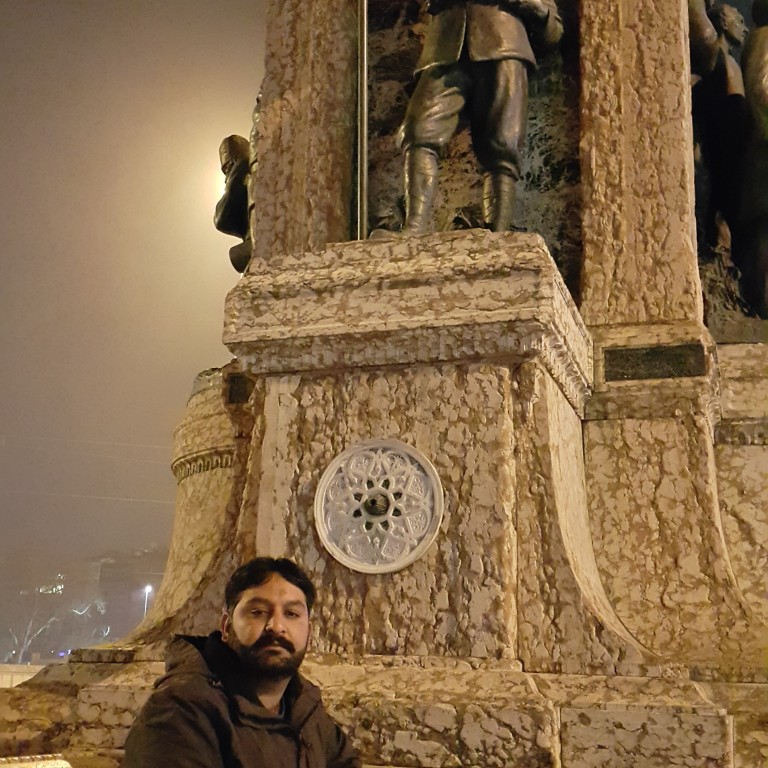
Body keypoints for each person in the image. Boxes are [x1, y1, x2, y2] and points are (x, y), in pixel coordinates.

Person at [123, 557, 361, 768]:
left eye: (291, 614)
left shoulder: (303, 705)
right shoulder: (182, 708)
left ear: (309, 631)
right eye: (258, 612)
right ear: (226, 627)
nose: (276, 626)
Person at [384, 0, 562, 237]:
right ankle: (414, 228)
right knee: (418, 130)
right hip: (444, 49)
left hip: (505, 48)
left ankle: (498, 235)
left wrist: (530, 5)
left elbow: (552, 32)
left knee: (503, 144)